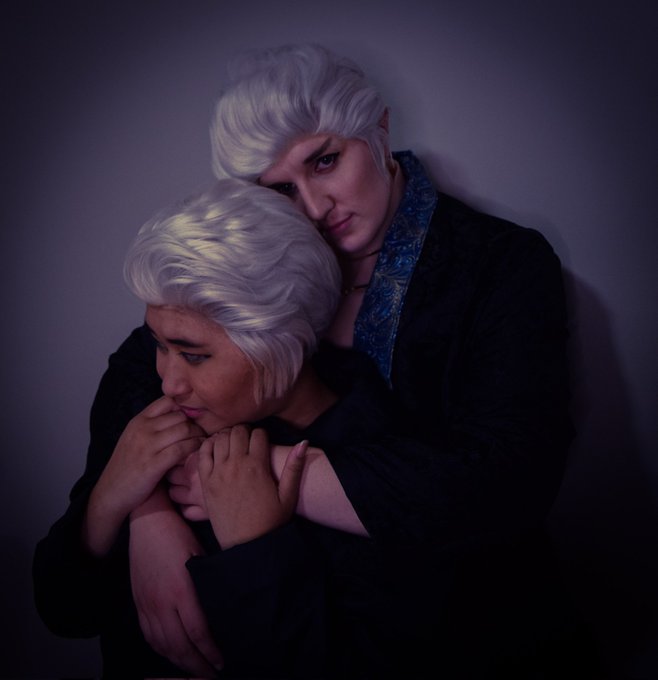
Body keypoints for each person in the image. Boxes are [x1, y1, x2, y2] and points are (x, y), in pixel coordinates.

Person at [35, 43, 600, 678]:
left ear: (378, 128)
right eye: (279, 188)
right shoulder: (259, 258)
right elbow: (150, 360)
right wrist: (146, 510)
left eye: (325, 161)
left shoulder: (497, 264)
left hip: (456, 606)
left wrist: (261, 477)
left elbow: (509, 478)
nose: (311, 207)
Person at [34, 178, 409, 678]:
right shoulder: (161, 419)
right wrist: (112, 501)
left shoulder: (379, 460)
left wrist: (257, 546)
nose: (168, 382)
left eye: (193, 355)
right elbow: (63, 613)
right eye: (158, 346)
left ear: (283, 341)